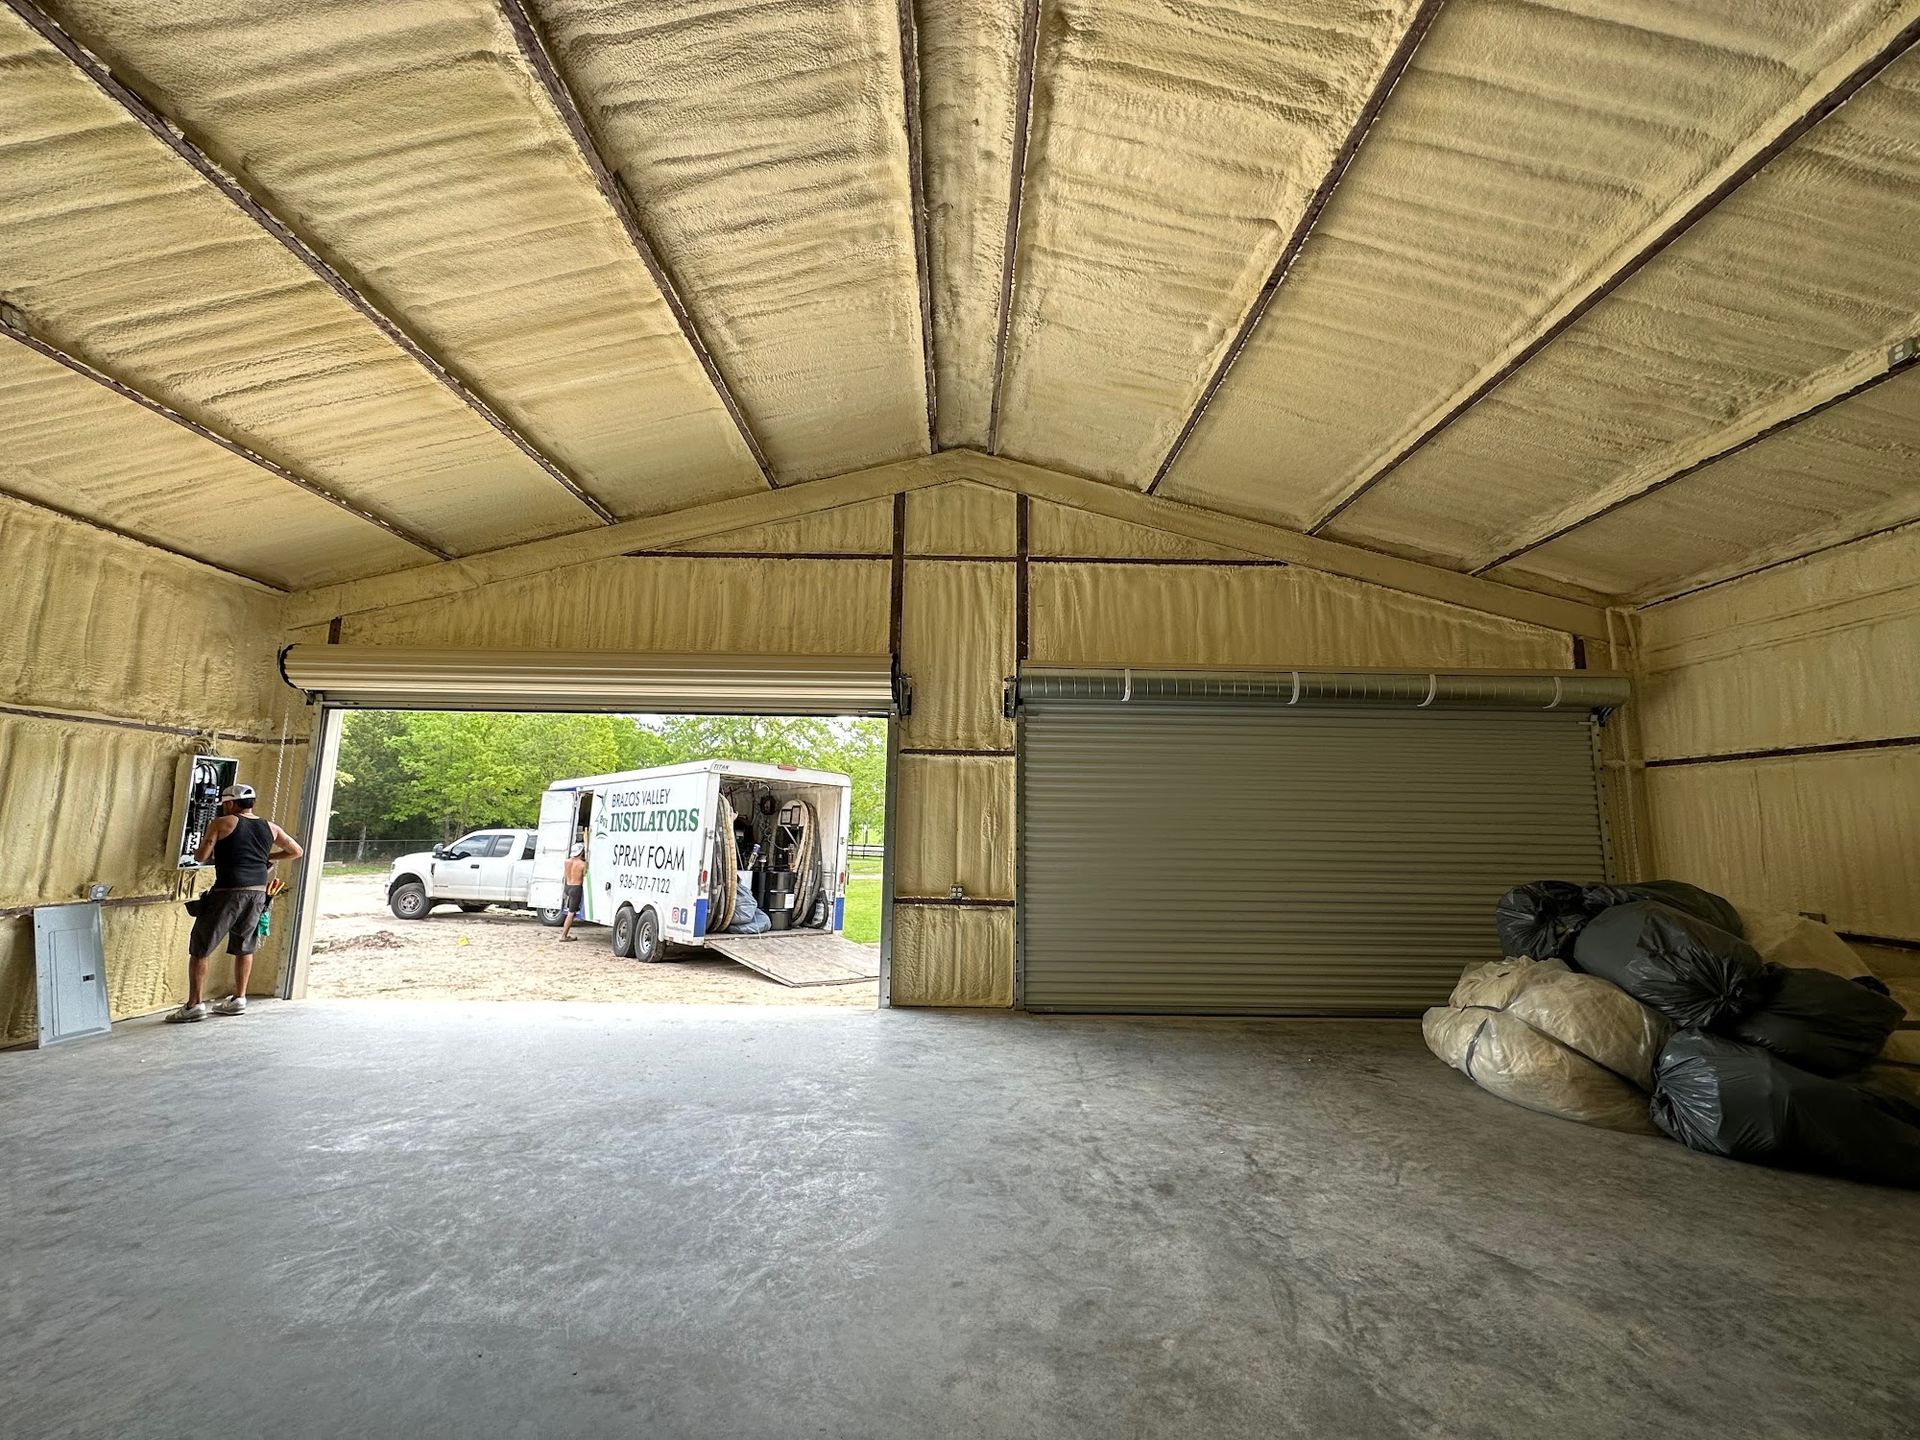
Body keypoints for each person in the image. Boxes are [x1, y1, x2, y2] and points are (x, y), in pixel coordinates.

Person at [167, 782, 302, 1022]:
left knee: (201, 947)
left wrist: (201, 847)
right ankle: (239, 999)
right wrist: (267, 857)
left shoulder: (221, 823)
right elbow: (296, 851)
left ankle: (194, 1005)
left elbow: (201, 856)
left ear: (230, 803)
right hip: (257, 893)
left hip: (228, 892)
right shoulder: (270, 827)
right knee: (245, 945)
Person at [558, 847, 587, 942]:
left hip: (568, 886)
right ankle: (563, 935)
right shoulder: (582, 864)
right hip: (576, 888)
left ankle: (564, 935)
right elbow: (585, 876)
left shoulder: (566, 862)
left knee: (569, 911)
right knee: (571, 913)